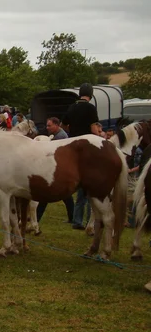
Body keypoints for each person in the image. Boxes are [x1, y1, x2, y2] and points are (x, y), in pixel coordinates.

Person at [62, 83, 100, 230]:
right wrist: (100, 136)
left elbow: (64, 125)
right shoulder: (91, 108)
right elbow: (93, 128)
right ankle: (91, 220)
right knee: (90, 185)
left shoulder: (72, 107)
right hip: (87, 147)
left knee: (79, 190)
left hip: (73, 145)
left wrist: (72, 131)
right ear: (90, 95)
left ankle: (77, 220)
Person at [36, 118, 74, 224]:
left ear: (57, 125)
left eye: (49, 125)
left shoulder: (60, 137)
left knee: (46, 195)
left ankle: (36, 219)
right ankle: (72, 217)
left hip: (58, 170)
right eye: (47, 126)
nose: (47, 128)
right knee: (66, 195)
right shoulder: (57, 135)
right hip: (58, 169)